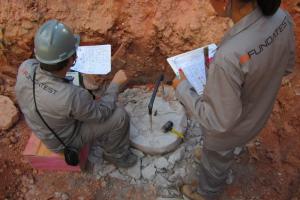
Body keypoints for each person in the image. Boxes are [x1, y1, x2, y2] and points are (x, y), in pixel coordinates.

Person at [173, 0, 295, 199]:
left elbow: (218, 122)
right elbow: (287, 66)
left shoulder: (229, 55)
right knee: (222, 151)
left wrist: (183, 88)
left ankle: (206, 193)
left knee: (216, 160)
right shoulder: (282, 18)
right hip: (258, 115)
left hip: (230, 132)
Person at [15, 20, 137, 170]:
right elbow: (102, 114)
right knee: (119, 116)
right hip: (64, 142)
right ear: (72, 59)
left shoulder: (26, 67)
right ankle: (115, 155)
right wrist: (115, 85)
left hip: (42, 126)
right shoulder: (72, 97)